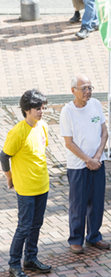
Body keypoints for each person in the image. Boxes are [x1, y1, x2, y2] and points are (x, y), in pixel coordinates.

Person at [0, 90, 52, 277]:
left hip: (42, 185)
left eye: (43, 107)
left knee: (36, 225)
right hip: (26, 189)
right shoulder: (17, 132)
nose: (41, 111)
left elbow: (40, 153)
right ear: (26, 110)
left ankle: (30, 259)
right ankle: (14, 264)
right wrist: (9, 176)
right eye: (37, 108)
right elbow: (4, 156)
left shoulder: (42, 126)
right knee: (24, 226)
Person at [60, 74, 110, 254]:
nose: (88, 92)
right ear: (73, 91)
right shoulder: (67, 111)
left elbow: (104, 133)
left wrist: (96, 157)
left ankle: (94, 236)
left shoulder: (96, 104)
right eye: (84, 89)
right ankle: (76, 239)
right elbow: (69, 142)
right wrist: (88, 160)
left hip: (98, 162)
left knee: (97, 202)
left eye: (90, 88)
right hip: (78, 166)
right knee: (78, 204)